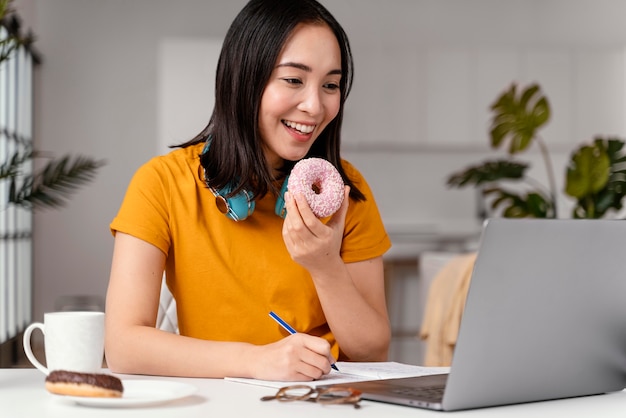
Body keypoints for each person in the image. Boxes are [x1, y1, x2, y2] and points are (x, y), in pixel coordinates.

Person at [105, 0, 392, 381]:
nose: (314, 105)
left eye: (330, 85)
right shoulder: (161, 183)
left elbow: (373, 349)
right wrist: (256, 362)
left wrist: (325, 265)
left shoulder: (345, 191)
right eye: (293, 79)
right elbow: (124, 346)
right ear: (244, 79)